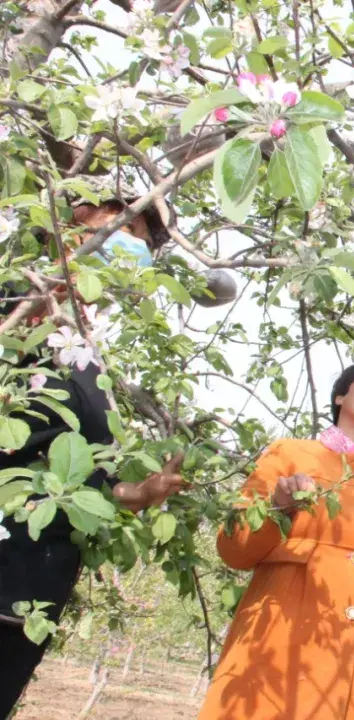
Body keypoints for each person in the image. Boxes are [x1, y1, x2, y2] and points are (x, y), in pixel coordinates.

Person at [0, 194, 184, 718]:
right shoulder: (13, 296)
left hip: (28, 592)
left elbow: (84, 484)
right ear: (73, 221)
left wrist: (138, 494)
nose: (132, 249)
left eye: (144, 243)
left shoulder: (84, 354)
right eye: (121, 227)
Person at [198, 357, 354, 720]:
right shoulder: (289, 454)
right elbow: (233, 549)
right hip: (279, 654)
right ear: (340, 396)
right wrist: (279, 507)